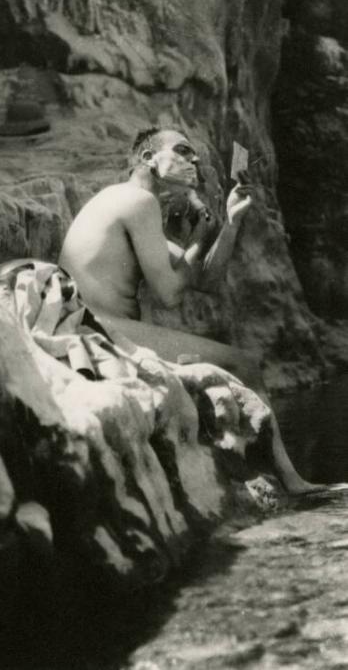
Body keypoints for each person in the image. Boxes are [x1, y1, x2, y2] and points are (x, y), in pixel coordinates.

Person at [59, 127, 322, 495]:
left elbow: (205, 280)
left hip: (106, 327)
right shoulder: (137, 201)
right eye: (182, 151)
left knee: (227, 365)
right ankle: (290, 480)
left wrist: (228, 222)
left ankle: (268, 476)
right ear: (149, 159)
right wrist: (199, 236)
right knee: (243, 364)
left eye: (194, 155)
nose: (194, 160)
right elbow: (170, 293)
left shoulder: (135, 203)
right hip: (97, 328)